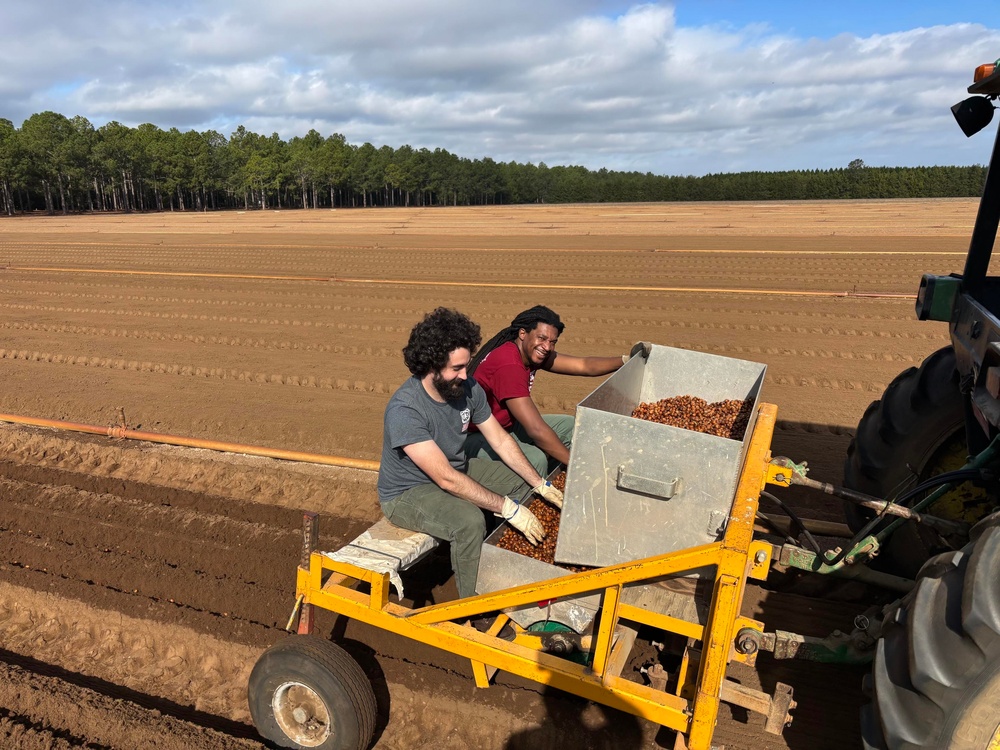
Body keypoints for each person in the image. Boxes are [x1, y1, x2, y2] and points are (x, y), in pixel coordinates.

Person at [377, 307, 564, 600]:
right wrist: (507, 508)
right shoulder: (406, 409)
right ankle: (474, 609)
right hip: (409, 492)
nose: (466, 375)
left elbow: (500, 440)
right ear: (432, 365)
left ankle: (506, 558)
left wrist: (538, 483)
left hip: (456, 469)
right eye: (457, 369)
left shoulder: (467, 388)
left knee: (523, 483)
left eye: (467, 365)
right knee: (469, 521)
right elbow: (445, 479)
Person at [466, 305, 650, 476]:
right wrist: (577, 466)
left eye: (552, 342)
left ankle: (556, 477)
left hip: (503, 426)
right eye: (542, 338)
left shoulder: (529, 353)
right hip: (476, 436)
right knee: (534, 459)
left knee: (568, 426)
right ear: (523, 333)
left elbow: (583, 365)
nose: (547, 347)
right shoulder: (509, 365)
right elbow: (536, 429)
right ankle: (530, 494)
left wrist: (626, 360)